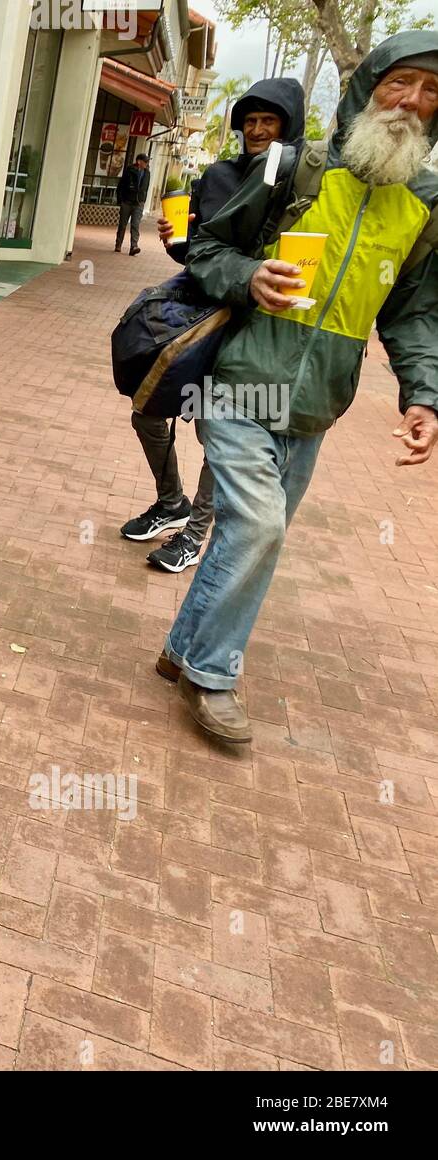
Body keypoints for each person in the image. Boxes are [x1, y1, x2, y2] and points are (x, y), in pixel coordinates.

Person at [160, 32, 438, 744]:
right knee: (258, 525)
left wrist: (422, 395)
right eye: (400, 81)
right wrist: (249, 277)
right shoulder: (296, 170)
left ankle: (180, 647)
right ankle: (213, 676)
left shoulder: (425, 209)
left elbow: (412, 314)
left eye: (432, 90)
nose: (411, 101)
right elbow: (207, 249)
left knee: (252, 538)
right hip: (244, 380)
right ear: (368, 85)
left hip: (316, 406)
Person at [121, 80, 306, 574]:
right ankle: (170, 502)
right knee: (146, 411)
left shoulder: (302, 183)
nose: (258, 130)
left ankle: (194, 533)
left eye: (269, 121)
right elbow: (200, 251)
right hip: (198, 316)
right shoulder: (219, 174)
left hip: (251, 328)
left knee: (213, 429)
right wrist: (176, 242)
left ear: (289, 126)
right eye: (250, 122)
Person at [114, 154, 151, 255]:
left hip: (139, 203)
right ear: (139, 161)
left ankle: (134, 246)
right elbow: (121, 185)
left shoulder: (147, 173)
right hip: (127, 201)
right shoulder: (130, 170)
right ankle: (118, 244)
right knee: (122, 224)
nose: (147, 164)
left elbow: (145, 188)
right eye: (145, 162)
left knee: (135, 225)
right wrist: (120, 200)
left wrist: (143, 200)